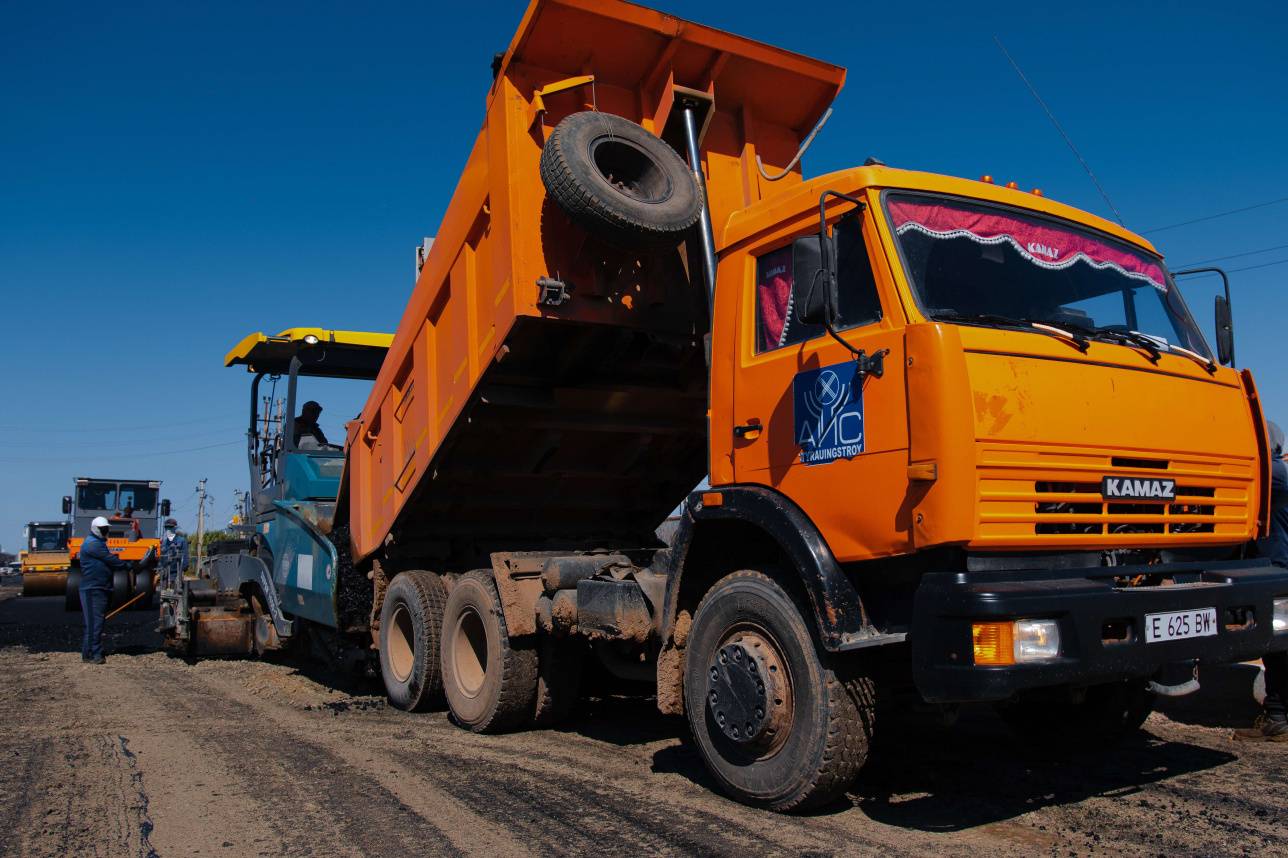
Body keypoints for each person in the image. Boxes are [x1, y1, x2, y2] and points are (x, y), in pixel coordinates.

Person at [1236, 420, 1288, 741]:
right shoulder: (1280, 474)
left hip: (1278, 569)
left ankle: (1278, 718)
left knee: (1278, 646)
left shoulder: (1271, 477)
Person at [79, 515, 126, 664]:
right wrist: (128, 566)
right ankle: (95, 654)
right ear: (96, 529)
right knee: (95, 623)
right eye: (103, 529)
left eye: (106, 529)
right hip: (94, 589)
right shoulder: (93, 544)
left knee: (94, 623)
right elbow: (110, 559)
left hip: (98, 587)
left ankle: (88, 653)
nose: (106, 531)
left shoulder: (97, 542)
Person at [160, 517, 188, 586]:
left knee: (176, 592)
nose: (168, 530)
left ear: (175, 528)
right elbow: (161, 559)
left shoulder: (181, 541)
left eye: (170, 527)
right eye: (166, 527)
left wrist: (181, 571)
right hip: (165, 574)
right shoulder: (164, 543)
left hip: (176, 573)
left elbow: (185, 558)